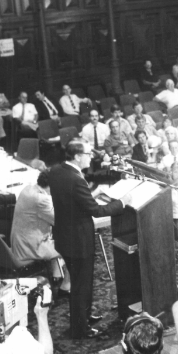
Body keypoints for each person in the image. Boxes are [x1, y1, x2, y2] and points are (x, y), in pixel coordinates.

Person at [47, 141, 129, 339]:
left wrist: (93, 194)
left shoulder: (57, 171)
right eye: (86, 154)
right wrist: (122, 203)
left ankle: (83, 317)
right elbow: (96, 211)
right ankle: (80, 329)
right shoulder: (76, 179)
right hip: (78, 241)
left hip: (64, 237)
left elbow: (73, 202)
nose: (90, 157)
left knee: (78, 282)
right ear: (76, 156)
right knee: (81, 285)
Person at [10, 171, 71, 292]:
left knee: (58, 239)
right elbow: (61, 221)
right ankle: (66, 285)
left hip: (20, 241)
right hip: (31, 247)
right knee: (73, 248)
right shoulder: (42, 199)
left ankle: (56, 275)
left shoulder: (28, 189)